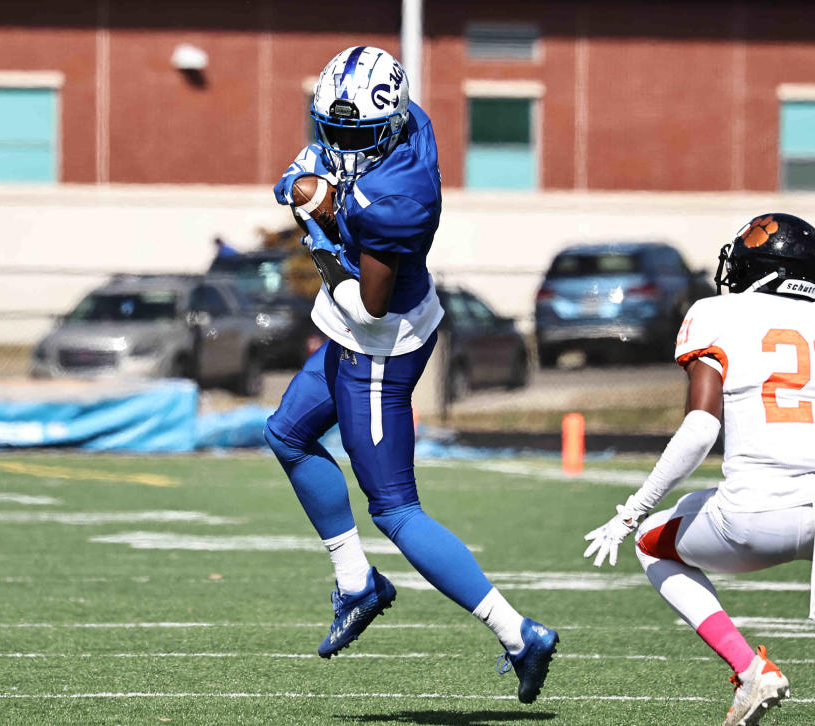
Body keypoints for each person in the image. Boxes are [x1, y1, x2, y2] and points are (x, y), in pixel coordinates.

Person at [265, 45, 558, 703]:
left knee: (395, 508)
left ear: (386, 127)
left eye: (352, 135)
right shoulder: (402, 122)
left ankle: (518, 634)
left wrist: (318, 227)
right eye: (329, 131)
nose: (339, 144)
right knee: (285, 435)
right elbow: (323, 169)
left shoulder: (394, 200)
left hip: (377, 344)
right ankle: (355, 583)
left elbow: (367, 306)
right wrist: (312, 184)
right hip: (364, 327)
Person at [583, 212, 815, 726]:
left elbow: (700, 430)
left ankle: (749, 668)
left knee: (650, 540)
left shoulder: (719, 312)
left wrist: (631, 511)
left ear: (761, 267)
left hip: (755, 517)